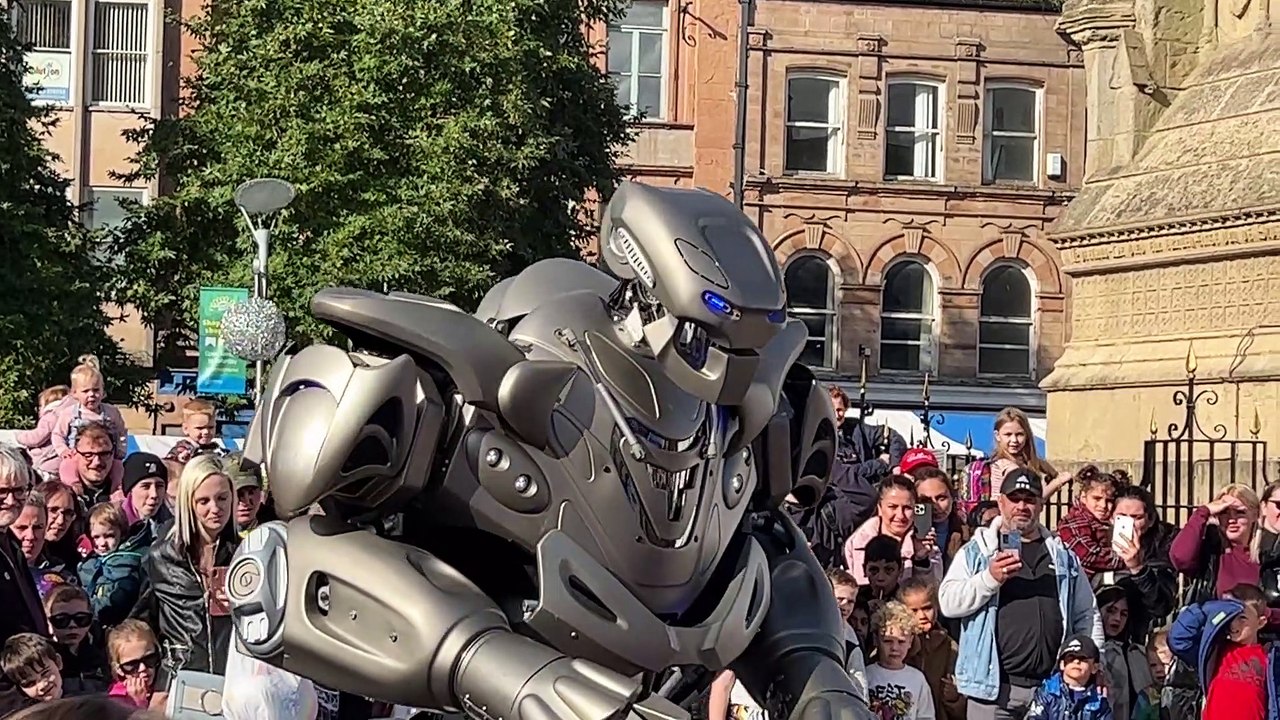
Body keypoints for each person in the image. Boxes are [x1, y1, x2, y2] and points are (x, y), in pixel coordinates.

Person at [939, 467, 1103, 719]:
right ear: (1001, 501)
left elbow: (1086, 613)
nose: (1022, 506)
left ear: (1040, 505)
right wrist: (989, 579)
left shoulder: (1062, 556)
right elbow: (948, 602)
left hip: (1051, 691)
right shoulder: (977, 552)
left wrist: (1095, 661)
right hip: (993, 692)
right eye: (1015, 499)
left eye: (1030, 500)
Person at [130, 453, 240, 690]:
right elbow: (141, 620)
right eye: (203, 501)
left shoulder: (245, 554)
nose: (215, 508)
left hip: (235, 678)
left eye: (222, 498)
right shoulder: (161, 556)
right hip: (180, 678)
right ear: (188, 502)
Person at [1092, 485, 1177, 645]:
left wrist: (1138, 568)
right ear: (1111, 518)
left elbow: (1160, 606)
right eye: (1122, 516)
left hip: (1133, 643)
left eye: (1136, 517)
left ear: (1150, 520)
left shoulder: (1160, 550)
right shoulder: (1094, 544)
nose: (1129, 523)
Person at [1167, 597, 1269, 720]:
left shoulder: (1269, 658)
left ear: (1261, 622)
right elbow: (1178, 639)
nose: (1233, 624)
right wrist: (1203, 610)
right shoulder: (1214, 651)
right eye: (1230, 617)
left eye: (1242, 618)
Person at [845, 476, 942, 586]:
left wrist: (921, 559)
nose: (900, 515)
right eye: (892, 507)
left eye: (907, 508)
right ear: (880, 508)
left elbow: (931, 592)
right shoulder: (856, 543)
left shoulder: (929, 548)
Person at [49, 356, 127, 491]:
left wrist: (121, 449)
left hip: (106, 455)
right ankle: (74, 488)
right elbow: (57, 434)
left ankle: (116, 490)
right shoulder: (70, 413)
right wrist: (63, 451)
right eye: (85, 391)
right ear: (74, 393)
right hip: (77, 456)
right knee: (66, 466)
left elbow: (122, 432)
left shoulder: (111, 412)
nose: (92, 395)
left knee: (118, 467)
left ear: (103, 391)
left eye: (96, 390)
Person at [898, 576, 964, 720]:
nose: (922, 616)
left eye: (927, 608)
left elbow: (964, 707)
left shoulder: (950, 647)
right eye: (913, 611)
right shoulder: (895, 644)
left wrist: (955, 699)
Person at [78, 502, 147, 626]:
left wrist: (87, 611)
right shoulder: (88, 564)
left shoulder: (127, 564)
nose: (102, 543)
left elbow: (121, 599)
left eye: (109, 536)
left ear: (122, 533)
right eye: (96, 537)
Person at [865, 600, 936, 720]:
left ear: (910, 641)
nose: (894, 648)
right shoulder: (867, 674)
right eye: (887, 641)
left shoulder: (917, 679)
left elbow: (926, 716)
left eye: (901, 641)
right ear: (876, 640)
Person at [1095, 585, 1155, 720]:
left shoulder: (1137, 653)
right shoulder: (1094, 654)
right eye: (1111, 610)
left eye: (1124, 614)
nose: (1117, 618)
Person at [1055, 466, 1123, 579]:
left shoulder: (1103, 522)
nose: (1103, 505)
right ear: (1083, 497)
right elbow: (1088, 554)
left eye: (1109, 500)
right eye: (1097, 498)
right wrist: (1126, 559)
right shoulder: (1075, 521)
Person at [1025, 634, 1112, 720]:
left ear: (1095, 667)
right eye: (1070, 658)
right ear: (1062, 664)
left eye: (1083, 659)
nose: (1076, 661)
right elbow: (1035, 717)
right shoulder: (1048, 691)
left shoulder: (1098, 701)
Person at [42, 584, 108, 695]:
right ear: (47, 621)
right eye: (61, 620)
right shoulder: (42, 660)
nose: (72, 625)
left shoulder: (104, 650)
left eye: (81, 619)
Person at [15, 387, 71, 480]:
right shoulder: (69, 415)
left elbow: (37, 438)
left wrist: (19, 437)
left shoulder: (51, 416)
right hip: (58, 463)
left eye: (40, 406)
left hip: (46, 464)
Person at [106, 620, 160, 709]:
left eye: (149, 658)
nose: (142, 668)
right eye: (132, 665)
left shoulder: (163, 680)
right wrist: (138, 703)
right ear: (118, 669)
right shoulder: (116, 699)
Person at [0, 633, 64, 704]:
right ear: (20, 688)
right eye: (30, 683)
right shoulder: (24, 714)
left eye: (45, 673)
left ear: (58, 662)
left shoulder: (77, 694)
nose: (42, 685)